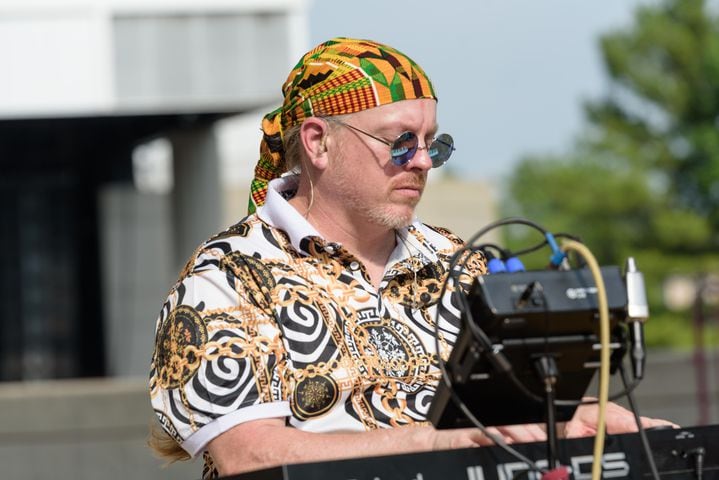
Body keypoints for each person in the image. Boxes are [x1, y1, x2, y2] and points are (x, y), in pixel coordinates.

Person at [148, 37, 673, 479]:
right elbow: (250, 458)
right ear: (318, 143)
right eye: (400, 142)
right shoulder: (226, 278)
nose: (422, 162)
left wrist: (598, 422)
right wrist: (436, 441)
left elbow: (523, 409)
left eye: (432, 144)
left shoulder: (462, 262)